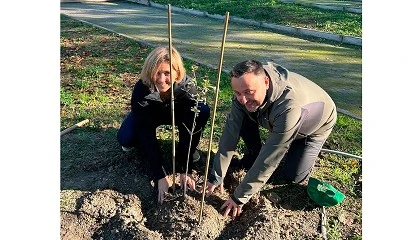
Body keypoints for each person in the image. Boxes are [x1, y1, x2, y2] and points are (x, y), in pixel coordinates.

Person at [203, 60, 337, 219]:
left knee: (293, 177)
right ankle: (255, 153)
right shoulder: (246, 90)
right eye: (238, 93)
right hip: (275, 118)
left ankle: (292, 144)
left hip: (314, 127)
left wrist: (239, 197)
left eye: (248, 92)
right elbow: (230, 133)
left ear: (266, 82)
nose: (243, 99)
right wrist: (216, 176)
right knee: (243, 117)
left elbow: (270, 158)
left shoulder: (288, 105)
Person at [117, 46, 210, 204]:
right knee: (126, 139)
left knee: (201, 110)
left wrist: (184, 168)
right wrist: (160, 175)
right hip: (150, 114)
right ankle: (137, 139)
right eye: (157, 73)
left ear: (177, 72)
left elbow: (189, 129)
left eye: (167, 73)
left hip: (179, 115)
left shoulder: (188, 88)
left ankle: (189, 151)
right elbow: (146, 131)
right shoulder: (142, 89)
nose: (161, 79)